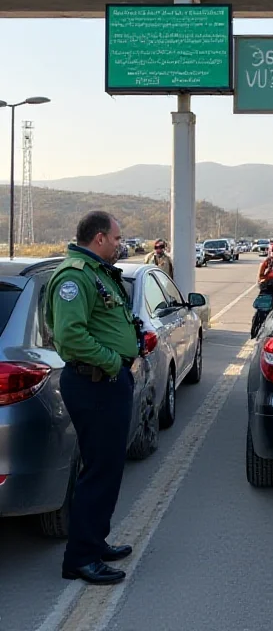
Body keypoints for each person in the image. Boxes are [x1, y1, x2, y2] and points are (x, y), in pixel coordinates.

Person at [45, 211, 140, 585]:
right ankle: (81, 559)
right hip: (95, 382)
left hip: (108, 382)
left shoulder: (99, 272)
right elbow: (70, 337)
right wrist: (113, 361)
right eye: (117, 238)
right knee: (98, 471)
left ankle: (95, 542)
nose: (121, 244)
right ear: (99, 238)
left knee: (108, 468)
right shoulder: (74, 277)